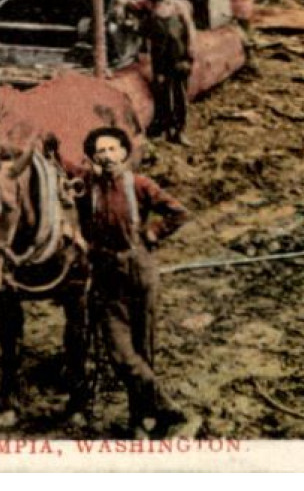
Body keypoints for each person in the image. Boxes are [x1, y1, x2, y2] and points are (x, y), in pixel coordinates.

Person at [74, 125, 192, 438]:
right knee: (122, 356)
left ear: (125, 152)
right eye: (100, 151)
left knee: (144, 352)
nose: (107, 156)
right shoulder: (89, 188)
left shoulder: (139, 185)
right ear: (93, 157)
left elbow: (178, 212)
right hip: (107, 279)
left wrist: (152, 233)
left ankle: (139, 420)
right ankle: (172, 411)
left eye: (113, 149)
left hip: (140, 273)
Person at [125, 0, 198, 146]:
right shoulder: (149, 5)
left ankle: (179, 131)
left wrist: (191, 50)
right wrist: (123, 13)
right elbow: (127, 3)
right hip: (160, 58)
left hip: (179, 56)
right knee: (162, 92)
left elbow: (190, 29)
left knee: (180, 94)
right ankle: (164, 129)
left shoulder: (178, 6)